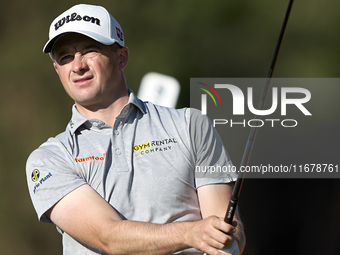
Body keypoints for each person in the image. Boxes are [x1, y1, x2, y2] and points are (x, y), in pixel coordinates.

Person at [26, 4, 245, 255]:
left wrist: (225, 238)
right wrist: (190, 233)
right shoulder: (49, 159)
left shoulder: (191, 125)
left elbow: (229, 234)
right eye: (65, 57)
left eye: (90, 51)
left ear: (122, 58)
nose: (77, 66)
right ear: (57, 70)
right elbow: (107, 237)